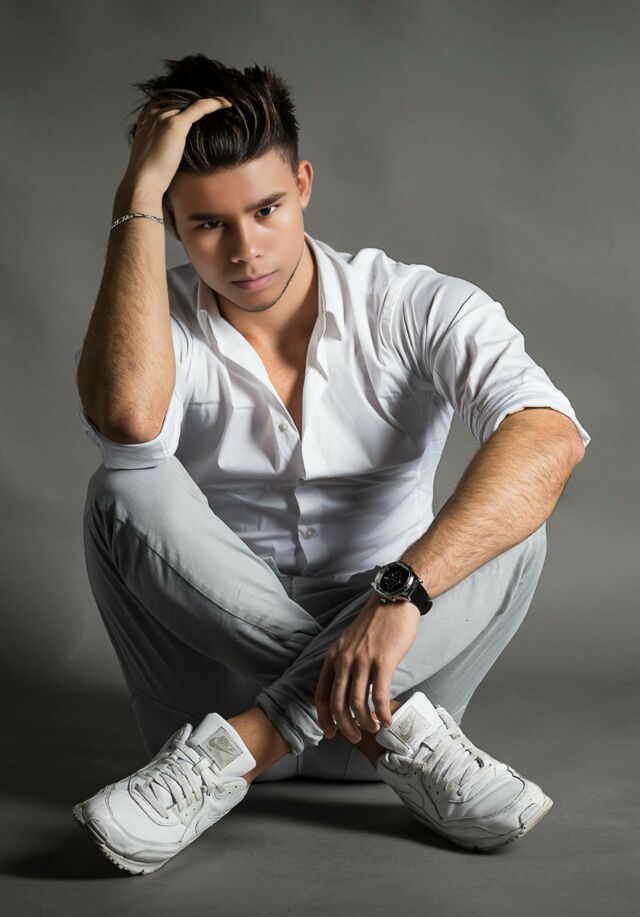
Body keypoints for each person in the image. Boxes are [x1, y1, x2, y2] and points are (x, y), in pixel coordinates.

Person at [72, 54, 590, 875]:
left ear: (304, 184)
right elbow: (130, 423)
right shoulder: (153, 320)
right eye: (206, 224)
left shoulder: (412, 304)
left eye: (266, 209)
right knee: (123, 485)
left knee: (517, 513)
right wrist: (135, 193)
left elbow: (550, 437)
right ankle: (323, 721)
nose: (246, 249)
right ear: (169, 221)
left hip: (360, 694)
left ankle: (251, 743)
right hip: (288, 708)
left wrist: (400, 593)